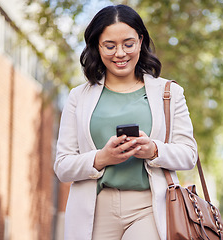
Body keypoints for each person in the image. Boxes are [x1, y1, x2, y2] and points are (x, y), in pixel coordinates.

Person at [54, 4, 198, 240]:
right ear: (97, 47)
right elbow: (62, 166)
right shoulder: (78, 97)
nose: (120, 53)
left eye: (128, 44)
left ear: (140, 41)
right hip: (95, 208)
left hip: (149, 207)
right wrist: (102, 158)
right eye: (109, 46)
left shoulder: (169, 93)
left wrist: (153, 150)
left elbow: (189, 154)